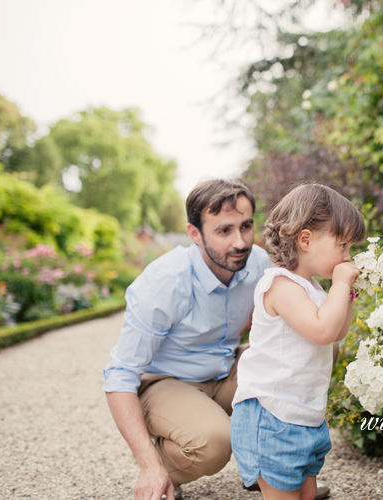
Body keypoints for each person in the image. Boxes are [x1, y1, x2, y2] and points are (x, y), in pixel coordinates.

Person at [102, 179, 272, 500]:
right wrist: (149, 465)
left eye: (246, 226)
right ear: (194, 234)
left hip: (225, 370)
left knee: (313, 346)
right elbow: (119, 376)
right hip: (166, 382)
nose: (240, 242)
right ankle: (165, 466)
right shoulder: (164, 282)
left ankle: (277, 475)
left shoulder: (259, 263)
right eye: (224, 231)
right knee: (213, 443)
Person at [231, 183, 366, 500]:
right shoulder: (281, 285)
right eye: (343, 245)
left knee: (306, 493)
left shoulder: (313, 289)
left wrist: (344, 296)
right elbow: (321, 330)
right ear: (306, 239)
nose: (347, 256)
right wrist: (339, 285)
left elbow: (336, 332)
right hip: (272, 418)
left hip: (302, 417)